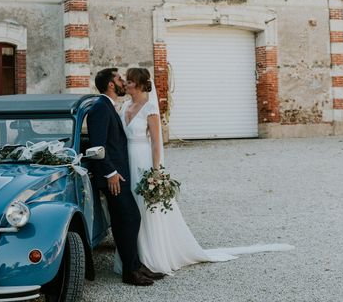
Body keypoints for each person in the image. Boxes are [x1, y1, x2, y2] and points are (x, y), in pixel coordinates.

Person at [116, 67, 294, 275]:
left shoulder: (150, 109)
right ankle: (133, 257)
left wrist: (156, 172)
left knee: (147, 208)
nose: (125, 84)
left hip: (143, 161)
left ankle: (152, 257)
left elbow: (156, 143)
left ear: (137, 84)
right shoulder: (125, 106)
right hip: (127, 161)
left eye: (128, 81)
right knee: (131, 210)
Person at [86, 68, 165, 286]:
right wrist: (110, 173)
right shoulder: (100, 108)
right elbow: (97, 146)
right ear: (111, 85)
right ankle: (130, 271)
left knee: (124, 221)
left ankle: (135, 266)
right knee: (130, 218)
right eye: (120, 79)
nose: (123, 82)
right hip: (113, 177)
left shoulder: (109, 107)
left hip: (120, 174)